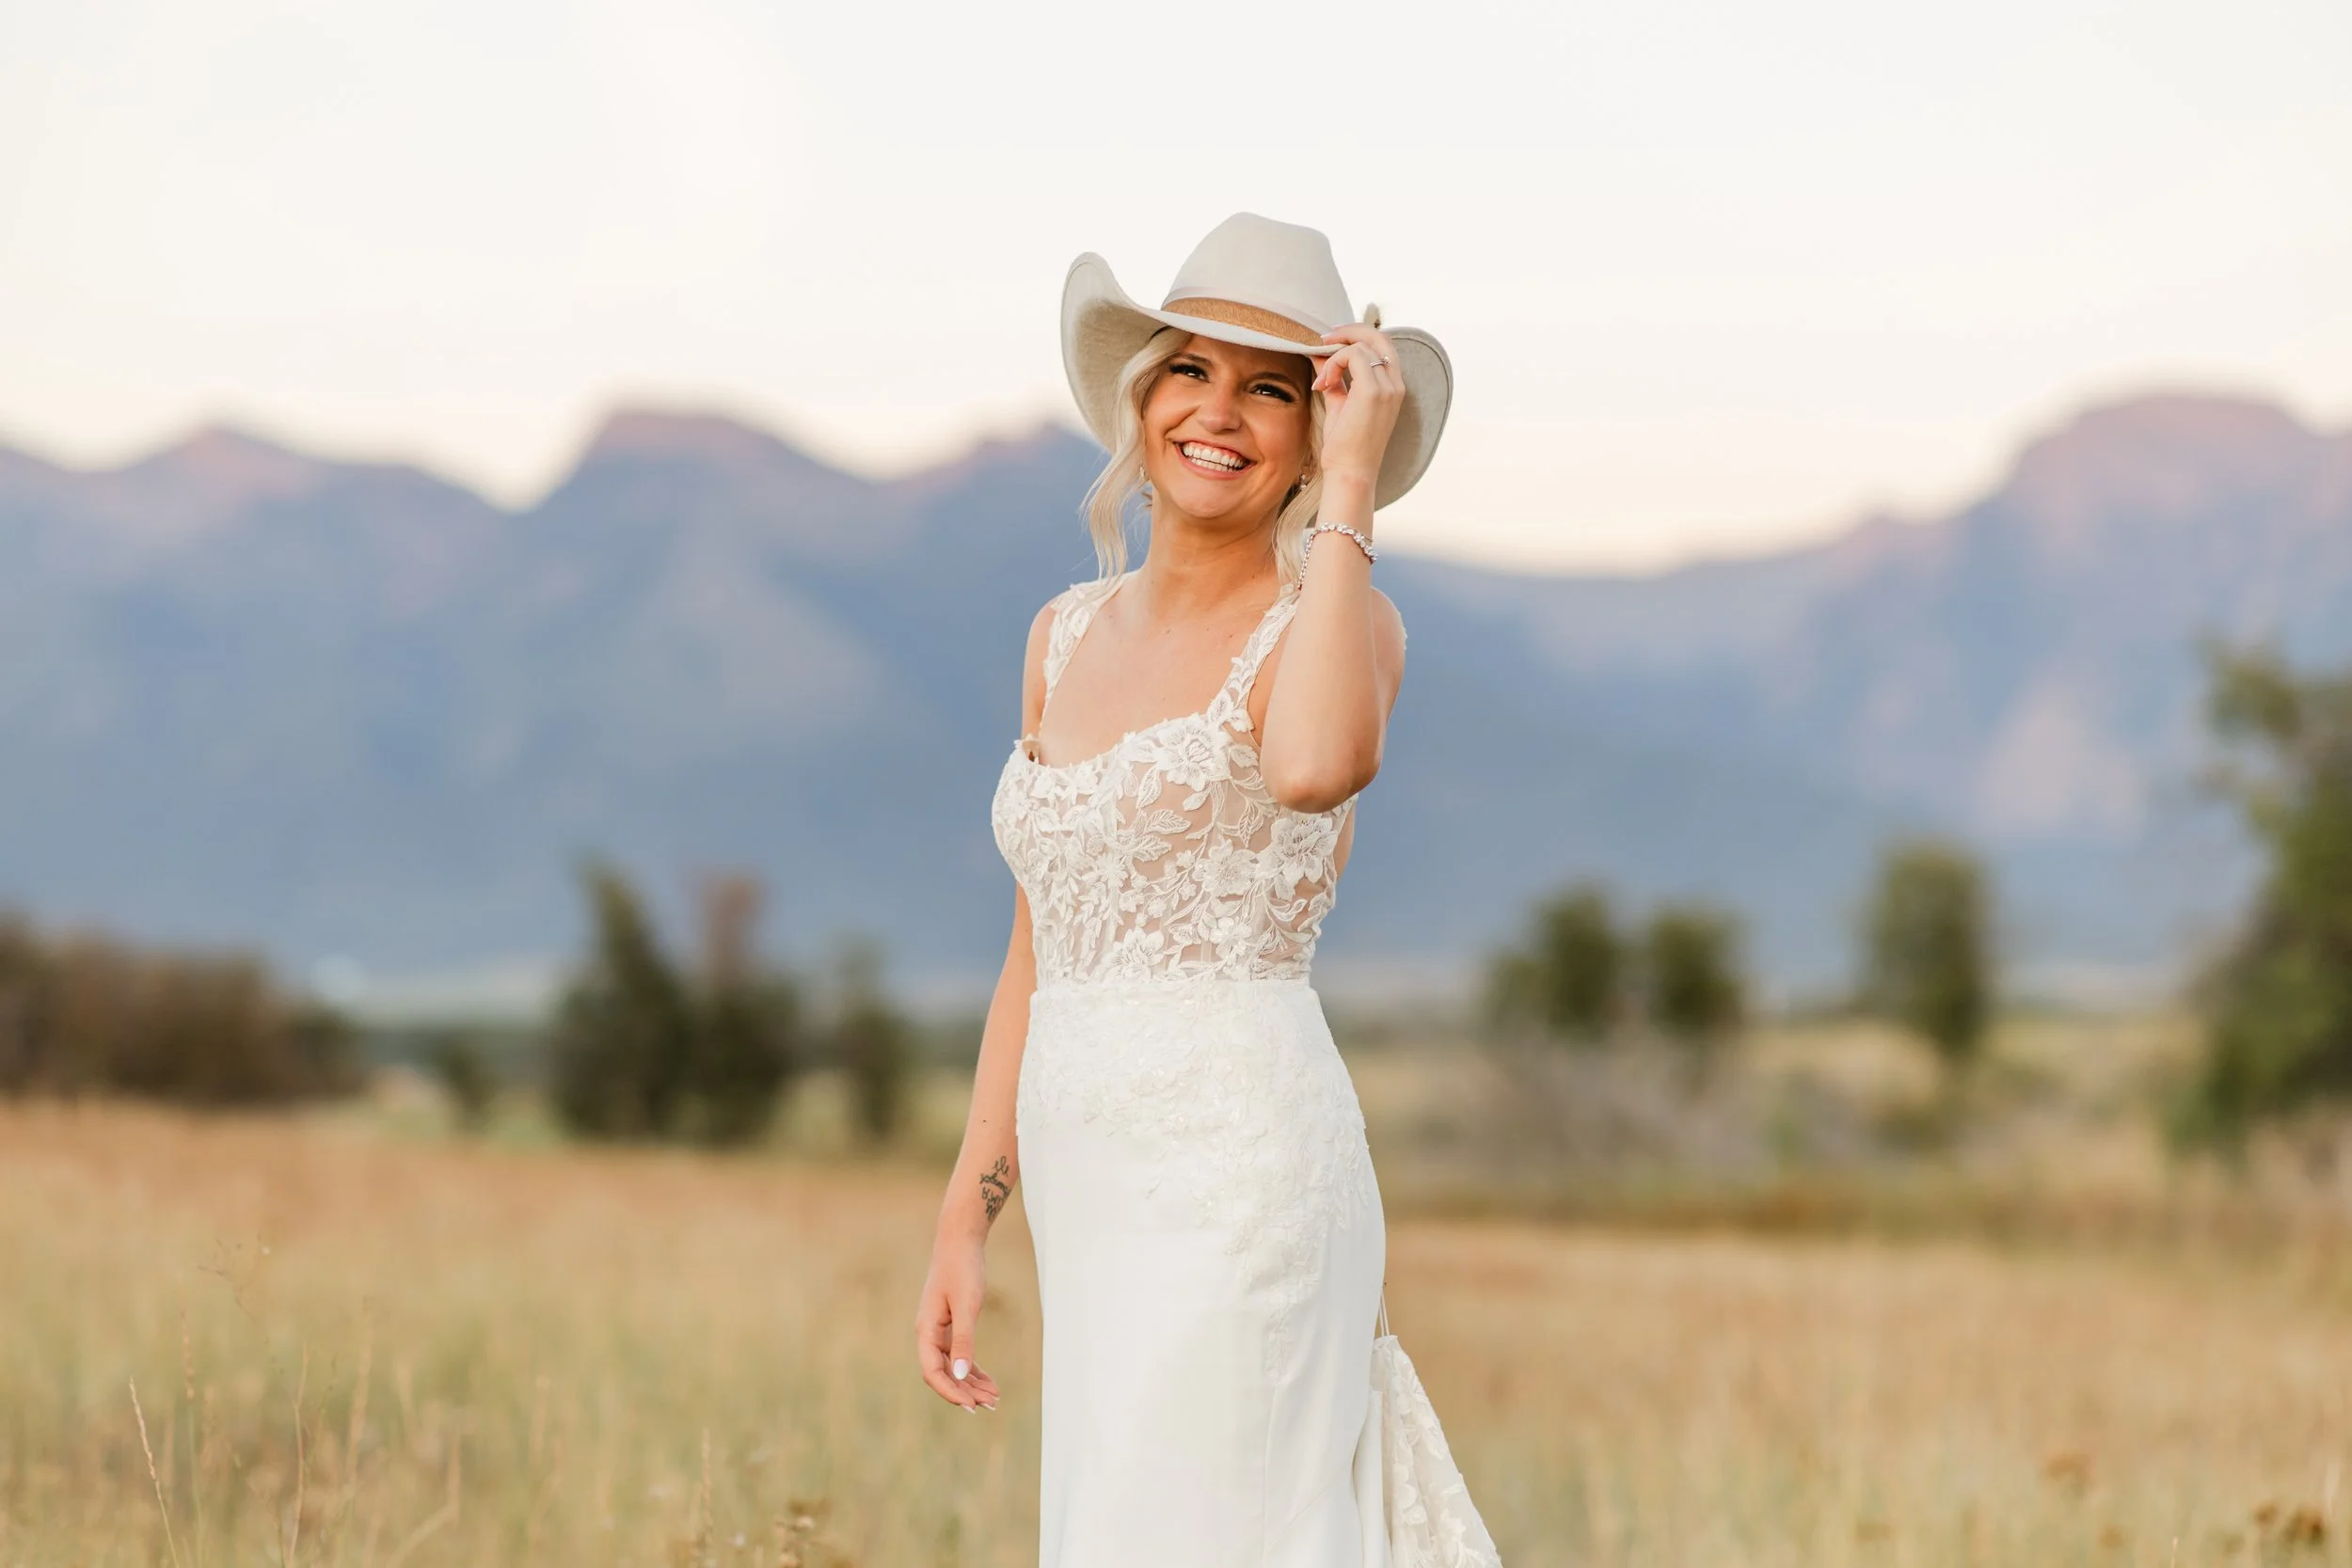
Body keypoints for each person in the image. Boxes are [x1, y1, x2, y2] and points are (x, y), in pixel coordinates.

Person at [915, 213, 1479, 1567]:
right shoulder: (1062, 633)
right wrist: (965, 1209)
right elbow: (1036, 951)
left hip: (1243, 1178)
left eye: (1271, 388)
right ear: (1141, 392)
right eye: (1191, 371)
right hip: (1088, 1187)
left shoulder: (1339, 622)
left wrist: (1349, 499)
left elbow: (1313, 765)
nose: (1217, 413)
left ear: (1315, 426)